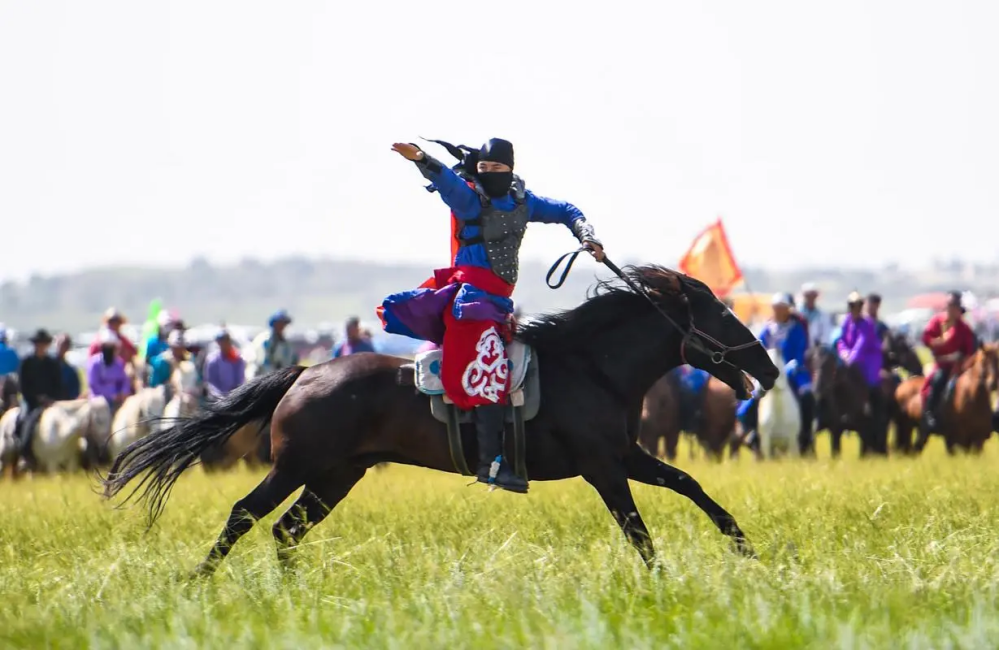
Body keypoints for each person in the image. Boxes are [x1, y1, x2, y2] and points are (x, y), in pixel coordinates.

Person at [380, 138, 604, 493]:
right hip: (472, 306)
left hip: (499, 306)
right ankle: (491, 464)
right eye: (483, 169)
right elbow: (447, 183)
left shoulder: (523, 202)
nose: (489, 174)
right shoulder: (470, 200)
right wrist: (422, 159)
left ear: (510, 169)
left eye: (497, 169)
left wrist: (585, 234)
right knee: (491, 375)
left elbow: (564, 210)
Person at [736, 293, 815, 454]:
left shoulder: (797, 329)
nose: (778, 311)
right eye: (775, 308)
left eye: (781, 308)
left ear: (787, 309)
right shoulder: (767, 329)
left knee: (807, 396)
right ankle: (752, 432)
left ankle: (806, 434)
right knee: (752, 398)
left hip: (793, 372)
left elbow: (801, 351)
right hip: (769, 374)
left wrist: (791, 367)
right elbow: (758, 351)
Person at [920, 291, 976, 432]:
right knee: (938, 381)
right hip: (942, 364)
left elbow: (970, 350)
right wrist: (937, 343)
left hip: (960, 366)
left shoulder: (964, 328)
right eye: (950, 306)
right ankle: (930, 414)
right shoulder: (937, 322)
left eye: (955, 307)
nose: (953, 310)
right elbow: (926, 339)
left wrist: (962, 360)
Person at [837, 292, 885, 452]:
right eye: (852, 306)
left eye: (857, 305)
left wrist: (851, 357)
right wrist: (844, 353)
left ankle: (871, 409)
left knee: (870, 384)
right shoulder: (846, 322)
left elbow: (862, 343)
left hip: (869, 360)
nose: (854, 309)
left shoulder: (868, 323)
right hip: (850, 359)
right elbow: (841, 340)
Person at [16, 329, 62, 464]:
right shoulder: (26, 362)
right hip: (30, 400)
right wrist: (36, 398)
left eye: (43, 344)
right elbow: (23, 386)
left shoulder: (52, 364)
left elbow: (58, 384)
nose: (41, 346)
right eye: (39, 343)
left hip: (50, 401)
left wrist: (51, 399)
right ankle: (24, 451)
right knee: (26, 419)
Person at [246, 310, 299, 379]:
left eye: (283, 323)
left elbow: (293, 360)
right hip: (262, 378)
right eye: (279, 323)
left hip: (282, 378)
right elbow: (263, 363)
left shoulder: (286, 343)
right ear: (273, 324)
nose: (281, 326)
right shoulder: (265, 340)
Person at [86, 330, 130, 409]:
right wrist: (110, 395)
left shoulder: (118, 363)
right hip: (98, 401)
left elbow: (124, 381)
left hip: (118, 401)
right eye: (107, 348)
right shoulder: (94, 363)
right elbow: (93, 384)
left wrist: (123, 392)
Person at [203, 329, 246, 400]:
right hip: (216, 399)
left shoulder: (238, 359)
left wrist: (233, 395)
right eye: (222, 341)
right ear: (218, 343)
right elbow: (211, 383)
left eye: (227, 340)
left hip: (234, 397)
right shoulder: (212, 360)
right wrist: (220, 397)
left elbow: (240, 380)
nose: (225, 343)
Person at [799, 283, 834, 349]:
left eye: (812, 296)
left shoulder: (823, 315)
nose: (810, 298)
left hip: (816, 352)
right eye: (808, 296)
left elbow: (826, 337)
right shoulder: (798, 314)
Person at [54, 334, 82, 400]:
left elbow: (75, 392)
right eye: (60, 343)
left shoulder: (71, 370)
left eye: (65, 345)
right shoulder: (47, 364)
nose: (62, 347)